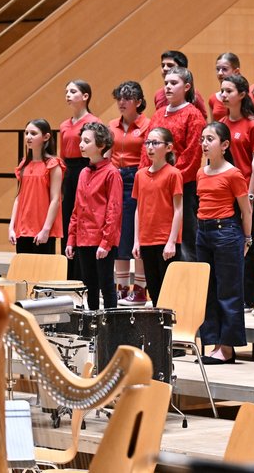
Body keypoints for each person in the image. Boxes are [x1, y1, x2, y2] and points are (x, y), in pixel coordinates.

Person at [197, 122, 253, 363]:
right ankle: (214, 342)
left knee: (228, 290)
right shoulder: (201, 172)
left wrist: (247, 239)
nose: (204, 143)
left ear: (225, 145)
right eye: (202, 139)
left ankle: (227, 347)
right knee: (208, 290)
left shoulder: (233, 173)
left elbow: (246, 210)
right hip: (203, 232)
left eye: (210, 139)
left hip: (226, 232)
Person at [151, 67, 207, 264]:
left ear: (187, 87)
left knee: (186, 241)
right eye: (166, 83)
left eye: (174, 83)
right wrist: (148, 177)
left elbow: (192, 155)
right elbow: (146, 149)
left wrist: (168, 177)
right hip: (156, 188)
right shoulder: (158, 114)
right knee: (158, 239)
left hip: (182, 186)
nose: (168, 87)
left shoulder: (194, 115)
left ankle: (188, 281)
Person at [66, 122, 122, 310]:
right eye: (81, 140)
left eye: (86, 141)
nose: (81, 144)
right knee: (89, 286)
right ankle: (94, 324)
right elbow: (77, 209)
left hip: (101, 240)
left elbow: (114, 210)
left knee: (106, 285)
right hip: (83, 239)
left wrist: (106, 242)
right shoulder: (83, 172)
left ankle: (111, 325)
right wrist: (71, 239)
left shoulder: (112, 173)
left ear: (101, 145)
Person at [218, 74, 254, 313]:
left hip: (245, 192)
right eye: (222, 90)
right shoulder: (222, 123)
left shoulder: (253, 125)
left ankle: (248, 297)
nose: (223, 95)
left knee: (248, 241)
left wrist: (251, 194)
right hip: (225, 192)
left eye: (229, 91)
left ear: (242, 94)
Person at [109, 81, 152, 306]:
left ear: (138, 102)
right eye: (119, 98)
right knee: (120, 236)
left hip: (138, 177)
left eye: (127, 98)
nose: (121, 102)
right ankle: (122, 288)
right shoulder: (112, 125)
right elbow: (107, 153)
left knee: (138, 234)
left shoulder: (148, 125)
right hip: (116, 180)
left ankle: (140, 289)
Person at [131, 127, 183, 306]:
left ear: (168, 147)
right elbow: (138, 209)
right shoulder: (140, 175)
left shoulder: (174, 174)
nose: (150, 147)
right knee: (153, 291)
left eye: (155, 143)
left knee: (168, 292)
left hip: (165, 241)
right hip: (147, 240)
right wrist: (137, 240)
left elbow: (178, 209)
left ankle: (170, 324)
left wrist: (172, 241)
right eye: (148, 143)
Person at [59, 80, 101, 278]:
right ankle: (68, 274)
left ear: (85, 96)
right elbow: (62, 155)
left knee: (84, 218)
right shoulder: (64, 125)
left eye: (73, 91)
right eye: (66, 91)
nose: (68, 94)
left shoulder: (93, 122)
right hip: (69, 172)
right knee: (68, 218)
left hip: (86, 168)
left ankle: (84, 274)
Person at [9, 119, 64, 254]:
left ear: (46, 137)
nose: (28, 137)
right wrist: (11, 227)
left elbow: (55, 200)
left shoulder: (53, 164)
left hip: (42, 231)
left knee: (43, 267)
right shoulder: (24, 164)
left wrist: (46, 229)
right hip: (22, 229)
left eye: (33, 133)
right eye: (26, 133)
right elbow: (19, 198)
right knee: (23, 267)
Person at [154, 50, 208, 118]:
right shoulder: (158, 94)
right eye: (163, 65)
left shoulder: (194, 94)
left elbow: (203, 118)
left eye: (170, 65)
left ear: (182, 69)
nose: (164, 68)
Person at [208, 52, 241, 122]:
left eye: (225, 69)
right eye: (218, 69)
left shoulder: (244, 97)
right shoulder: (213, 99)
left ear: (236, 71)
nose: (220, 73)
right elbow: (213, 125)